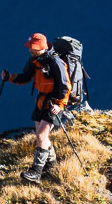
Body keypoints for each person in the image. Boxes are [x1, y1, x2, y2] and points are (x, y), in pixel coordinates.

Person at [4, 33, 72, 183]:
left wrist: (60, 105)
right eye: (30, 48)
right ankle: (51, 166)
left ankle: (36, 172)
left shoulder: (55, 62)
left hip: (53, 104)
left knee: (41, 136)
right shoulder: (34, 61)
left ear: (42, 47)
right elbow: (25, 77)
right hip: (41, 101)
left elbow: (65, 86)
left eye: (34, 49)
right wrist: (9, 77)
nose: (31, 51)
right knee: (42, 137)